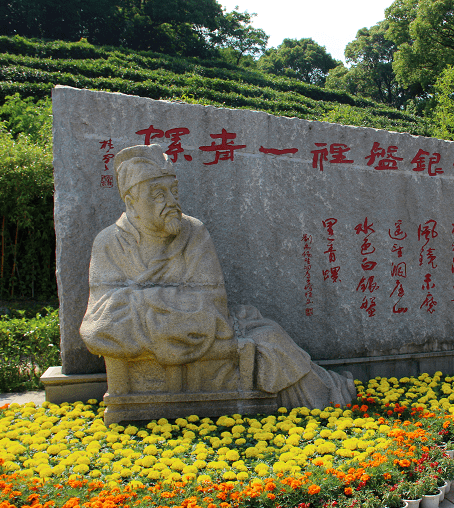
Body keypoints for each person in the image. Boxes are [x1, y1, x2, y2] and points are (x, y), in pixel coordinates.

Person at [80, 143, 355, 409]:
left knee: (270, 338)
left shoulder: (193, 232)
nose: (172, 202)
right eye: (158, 195)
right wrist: (161, 306)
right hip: (178, 326)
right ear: (131, 202)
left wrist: (144, 302)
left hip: (202, 325)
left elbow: (211, 300)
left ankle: (324, 395)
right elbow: (101, 316)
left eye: (173, 191)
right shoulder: (108, 243)